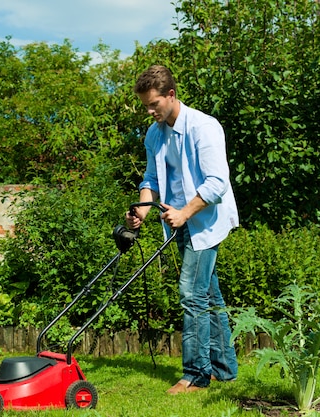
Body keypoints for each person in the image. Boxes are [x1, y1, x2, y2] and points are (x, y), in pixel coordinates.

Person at [126, 65, 239, 395]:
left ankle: (196, 375)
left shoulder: (204, 127)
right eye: (146, 106)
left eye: (153, 104)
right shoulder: (154, 134)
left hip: (205, 221)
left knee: (191, 294)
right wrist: (143, 209)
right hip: (178, 221)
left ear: (170, 95)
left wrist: (185, 212)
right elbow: (151, 179)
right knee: (209, 296)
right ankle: (225, 368)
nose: (149, 111)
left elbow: (217, 183)